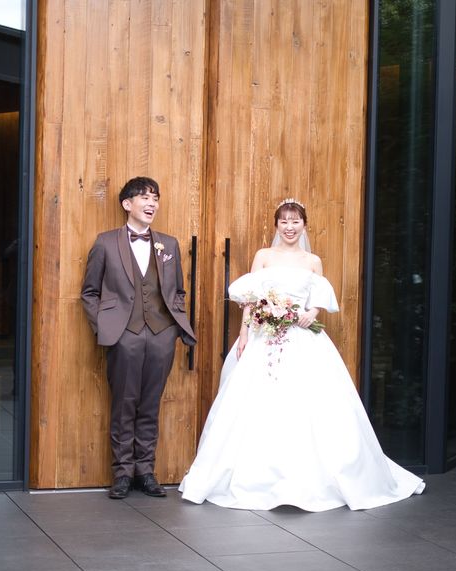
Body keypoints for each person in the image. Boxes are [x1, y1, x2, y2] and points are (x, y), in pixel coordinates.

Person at [179, 199, 425, 511]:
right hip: (264, 336)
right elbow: (252, 298)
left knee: (310, 402)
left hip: (302, 337)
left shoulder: (312, 261)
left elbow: (318, 297)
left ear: (304, 225)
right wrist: (243, 333)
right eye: (284, 221)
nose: (290, 227)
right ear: (276, 225)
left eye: (295, 221)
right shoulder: (263, 256)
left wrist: (312, 313)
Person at [82, 177, 196, 499]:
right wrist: (106, 327)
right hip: (123, 336)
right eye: (145, 197)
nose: (152, 204)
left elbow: (178, 291)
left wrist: (172, 328)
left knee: (150, 404)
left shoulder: (168, 245)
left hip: (161, 335)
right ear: (127, 204)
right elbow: (89, 292)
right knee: (124, 404)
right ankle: (122, 473)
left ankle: (145, 471)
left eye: (155, 198)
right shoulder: (105, 243)